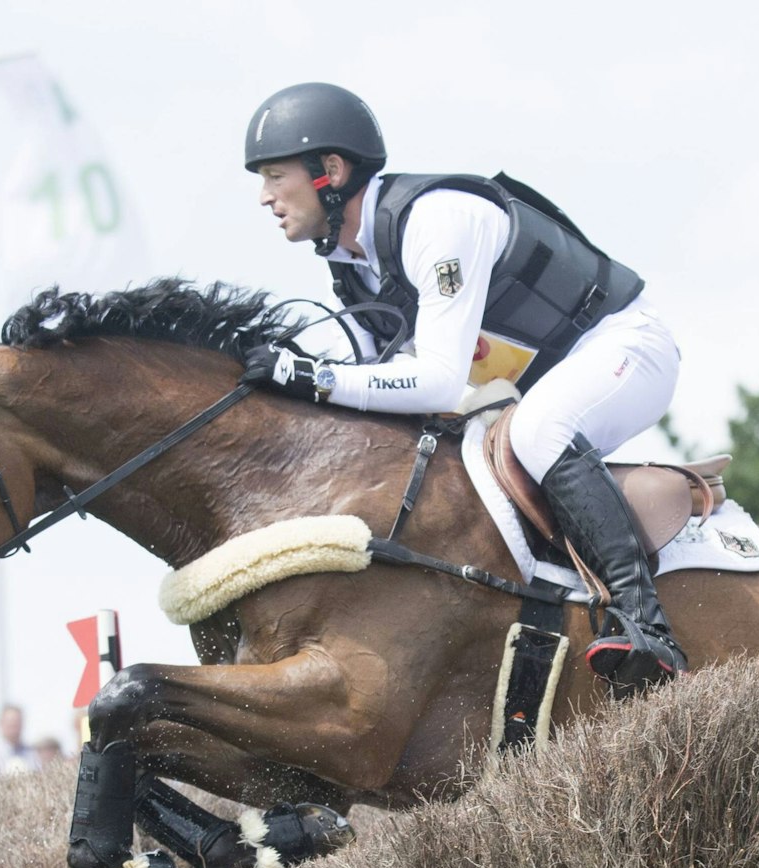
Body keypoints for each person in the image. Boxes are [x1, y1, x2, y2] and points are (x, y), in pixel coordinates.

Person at [242, 81, 686, 689]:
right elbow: (384, 398)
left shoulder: (437, 220)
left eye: (273, 175)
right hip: (534, 386)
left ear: (331, 170)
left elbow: (438, 382)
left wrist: (311, 378)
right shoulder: (350, 269)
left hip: (622, 347)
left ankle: (647, 627)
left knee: (539, 430)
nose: (265, 197)